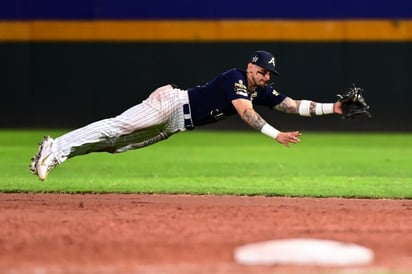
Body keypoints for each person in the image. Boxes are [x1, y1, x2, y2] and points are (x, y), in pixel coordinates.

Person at [30, 50, 343, 181]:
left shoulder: (260, 90)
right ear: (251, 67)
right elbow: (245, 113)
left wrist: (335, 108)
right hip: (171, 104)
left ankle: (56, 155)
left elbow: (292, 105)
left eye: (270, 74)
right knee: (119, 126)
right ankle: (53, 148)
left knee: (115, 144)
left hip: (177, 123)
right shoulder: (234, 78)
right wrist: (277, 135)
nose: (267, 78)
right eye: (263, 72)